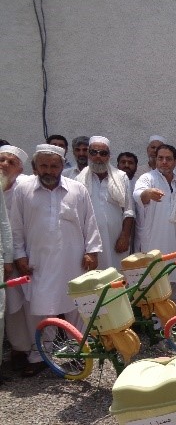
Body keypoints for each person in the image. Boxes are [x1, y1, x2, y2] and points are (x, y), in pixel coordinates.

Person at [11, 144, 102, 376]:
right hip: (37, 260)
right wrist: (19, 254)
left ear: (62, 166)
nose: (49, 170)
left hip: (73, 259)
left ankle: (76, 353)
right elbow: (16, 226)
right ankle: (41, 355)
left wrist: (92, 250)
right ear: (35, 167)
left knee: (76, 306)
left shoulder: (77, 189)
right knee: (40, 308)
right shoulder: (23, 191)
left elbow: (89, 221)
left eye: (54, 166)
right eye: (44, 165)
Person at [133, 144, 176, 301]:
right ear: (155, 160)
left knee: (173, 284)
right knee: (153, 287)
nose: (164, 162)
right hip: (153, 243)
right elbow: (138, 194)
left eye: (168, 159)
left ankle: (170, 324)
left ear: (175, 162)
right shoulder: (148, 178)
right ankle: (155, 325)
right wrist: (148, 193)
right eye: (160, 158)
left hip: (174, 243)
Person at [76, 136, 134, 270]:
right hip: (88, 242)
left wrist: (125, 237)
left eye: (103, 153)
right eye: (93, 152)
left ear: (109, 156)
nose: (98, 157)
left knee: (116, 278)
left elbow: (129, 211)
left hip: (115, 240)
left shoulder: (121, 177)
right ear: (88, 154)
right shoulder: (78, 180)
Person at [0, 145, 26, 376]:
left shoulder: (25, 187)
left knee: (21, 305)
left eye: (11, 162)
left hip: (22, 257)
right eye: (1, 160)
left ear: (20, 168)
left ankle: (23, 350)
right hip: (4, 257)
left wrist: (16, 255)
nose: (4, 165)